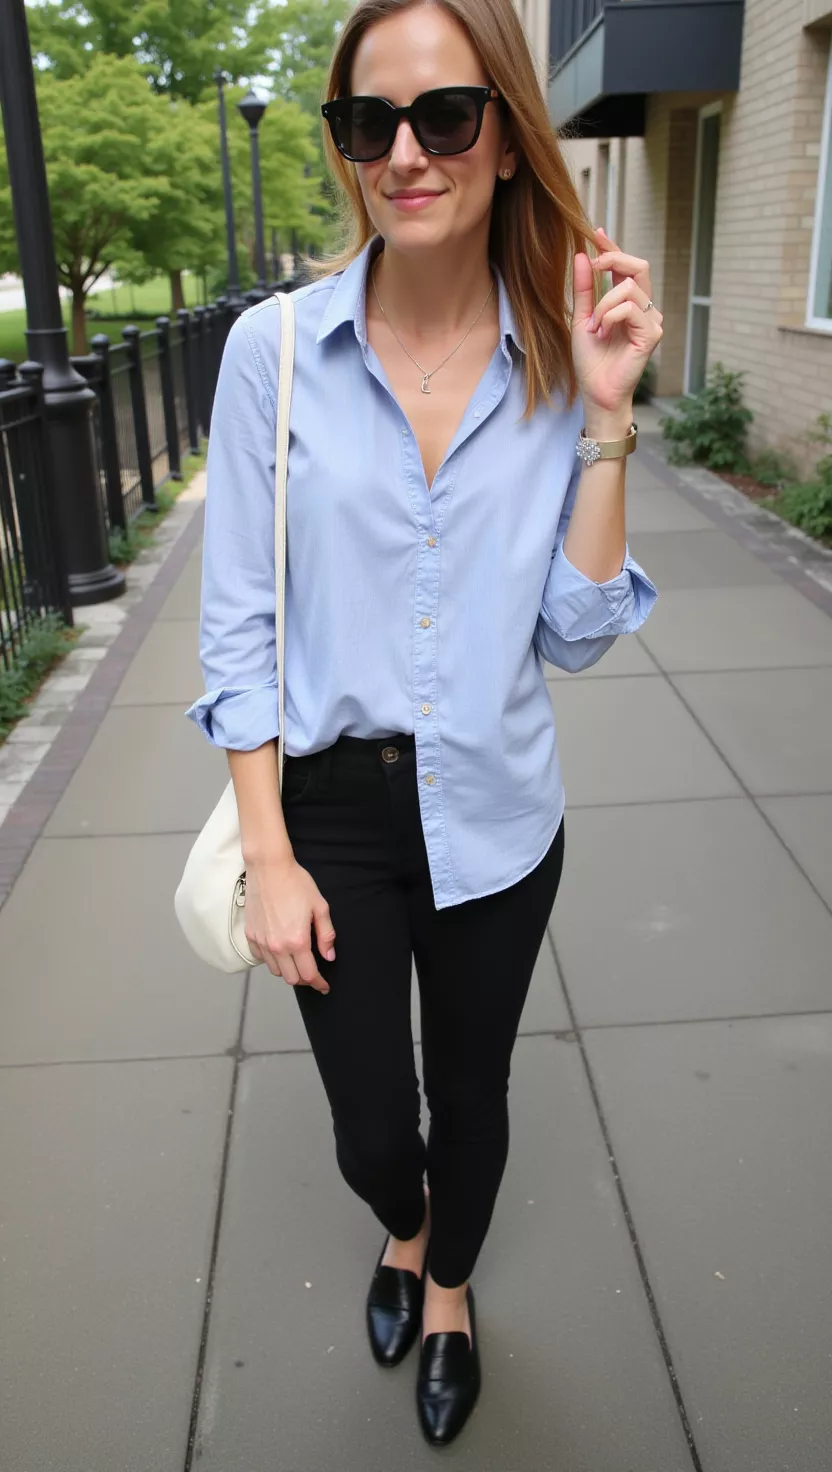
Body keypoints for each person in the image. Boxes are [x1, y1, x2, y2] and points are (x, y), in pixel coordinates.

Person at [186, 0, 661, 1448]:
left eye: (442, 117)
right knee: (374, 1130)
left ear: (506, 139)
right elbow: (240, 625)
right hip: (325, 805)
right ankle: (400, 1221)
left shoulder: (553, 357)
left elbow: (574, 635)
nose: (403, 153)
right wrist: (266, 854)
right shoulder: (275, 351)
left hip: (498, 803)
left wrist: (604, 417)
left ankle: (445, 1284)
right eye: (365, 123)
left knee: (475, 1092)